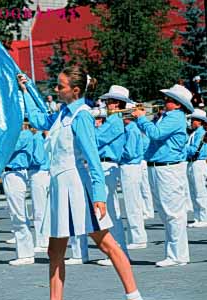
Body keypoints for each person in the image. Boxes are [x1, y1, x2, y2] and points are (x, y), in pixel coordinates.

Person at [19, 66, 143, 300]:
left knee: (106, 244)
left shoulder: (82, 115)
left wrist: (98, 194)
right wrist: (26, 90)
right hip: (59, 188)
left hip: (77, 187)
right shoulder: (63, 113)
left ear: (75, 90)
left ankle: (134, 296)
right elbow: (38, 119)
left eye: (60, 86)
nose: (56, 89)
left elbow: (92, 157)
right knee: (54, 252)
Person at [132, 84, 193, 267]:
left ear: (178, 105)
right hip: (159, 167)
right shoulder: (167, 116)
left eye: (169, 99)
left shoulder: (175, 117)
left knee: (173, 213)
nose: (165, 101)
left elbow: (156, 134)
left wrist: (142, 119)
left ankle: (177, 255)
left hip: (168, 169)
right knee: (167, 213)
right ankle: (174, 254)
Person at [93, 85, 131, 266]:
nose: (109, 104)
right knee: (108, 209)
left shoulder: (115, 121)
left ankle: (119, 252)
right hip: (104, 163)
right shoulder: (111, 119)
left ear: (120, 104)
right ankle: (118, 252)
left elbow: (97, 138)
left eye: (114, 102)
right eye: (109, 101)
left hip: (107, 163)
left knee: (109, 209)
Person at [1, 120, 36, 266]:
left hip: (16, 173)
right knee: (15, 214)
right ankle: (23, 252)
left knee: (19, 215)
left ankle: (26, 253)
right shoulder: (17, 135)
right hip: (9, 174)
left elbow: (8, 147)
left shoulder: (25, 134)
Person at [119, 103, 148, 249]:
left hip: (129, 166)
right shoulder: (131, 129)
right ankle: (137, 237)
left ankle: (138, 239)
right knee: (133, 203)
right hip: (131, 166)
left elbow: (129, 152)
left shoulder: (130, 129)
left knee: (132, 204)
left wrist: (116, 152)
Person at [186, 109, 207, 228]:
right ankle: (197, 217)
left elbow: (194, 149)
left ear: (200, 122)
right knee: (193, 191)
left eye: (193, 120)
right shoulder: (194, 133)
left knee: (200, 192)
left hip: (198, 163)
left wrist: (181, 147)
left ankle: (205, 218)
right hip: (192, 163)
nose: (191, 122)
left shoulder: (201, 133)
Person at [29, 128, 51, 253]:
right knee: (45, 210)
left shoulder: (36, 137)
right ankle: (45, 239)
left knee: (38, 210)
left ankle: (42, 241)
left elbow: (38, 158)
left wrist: (27, 158)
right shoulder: (44, 136)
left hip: (38, 172)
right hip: (47, 173)